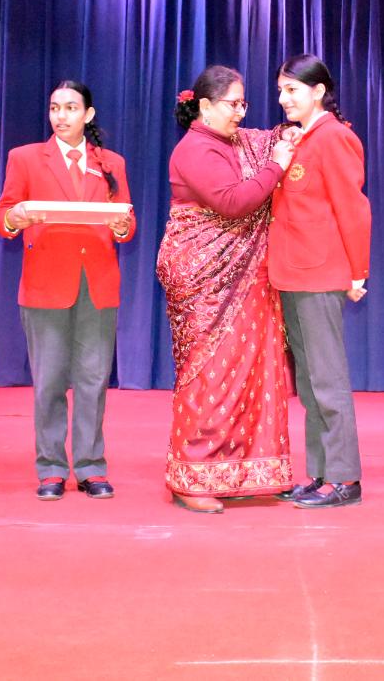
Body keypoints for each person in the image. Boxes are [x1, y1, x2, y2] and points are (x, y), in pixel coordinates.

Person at [156, 65, 296, 514]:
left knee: (250, 369)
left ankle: (247, 472)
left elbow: (269, 138)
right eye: (232, 104)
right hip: (205, 279)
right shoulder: (194, 149)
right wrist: (278, 165)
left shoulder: (236, 141)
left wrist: (296, 132)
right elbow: (233, 203)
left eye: (243, 103)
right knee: (209, 374)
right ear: (205, 106)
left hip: (246, 276)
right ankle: (193, 477)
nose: (240, 112)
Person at [0, 80, 135, 501]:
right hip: (45, 285)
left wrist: (122, 227)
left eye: (71, 108)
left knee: (93, 380)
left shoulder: (111, 163)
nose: (61, 116)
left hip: (97, 285)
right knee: (49, 381)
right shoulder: (24, 158)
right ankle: (51, 468)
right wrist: (15, 218)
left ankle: (91, 467)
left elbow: (127, 222)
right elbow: (2, 215)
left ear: (88, 115)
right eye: (55, 107)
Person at [270, 54, 372, 509]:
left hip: (320, 272)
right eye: (281, 90)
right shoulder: (299, 139)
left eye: (292, 89)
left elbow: (353, 209)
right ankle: (320, 472)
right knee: (310, 384)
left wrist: (356, 271)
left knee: (328, 380)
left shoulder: (334, 138)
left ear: (318, 91)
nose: (283, 98)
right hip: (293, 274)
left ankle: (345, 478)